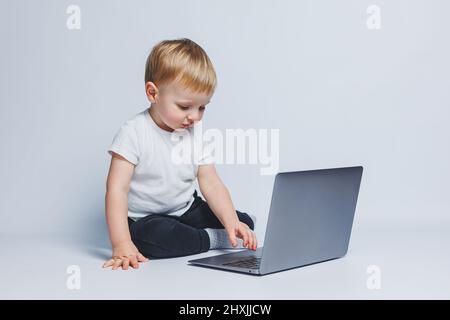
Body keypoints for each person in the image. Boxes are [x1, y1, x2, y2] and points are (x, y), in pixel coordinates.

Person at [103, 38, 257, 270]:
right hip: (146, 218)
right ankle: (212, 239)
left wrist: (231, 221)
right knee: (150, 237)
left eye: (202, 107)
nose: (194, 117)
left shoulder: (194, 132)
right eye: (185, 107)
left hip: (186, 208)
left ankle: (221, 231)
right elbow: (116, 190)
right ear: (153, 93)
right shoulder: (133, 132)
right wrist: (121, 243)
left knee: (242, 221)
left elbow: (211, 182)